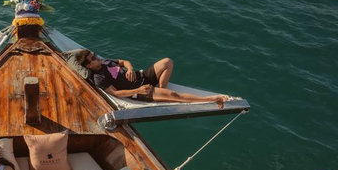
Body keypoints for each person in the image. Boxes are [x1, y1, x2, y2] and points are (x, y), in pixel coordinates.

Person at [77, 49, 228, 107]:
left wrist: (129, 68)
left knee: (167, 61)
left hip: (142, 75)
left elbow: (123, 61)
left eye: (95, 55)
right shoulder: (99, 78)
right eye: (93, 58)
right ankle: (214, 99)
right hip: (140, 90)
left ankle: (161, 90)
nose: (96, 57)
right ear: (89, 65)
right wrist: (139, 90)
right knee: (175, 96)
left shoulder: (104, 62)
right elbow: (116, 93)